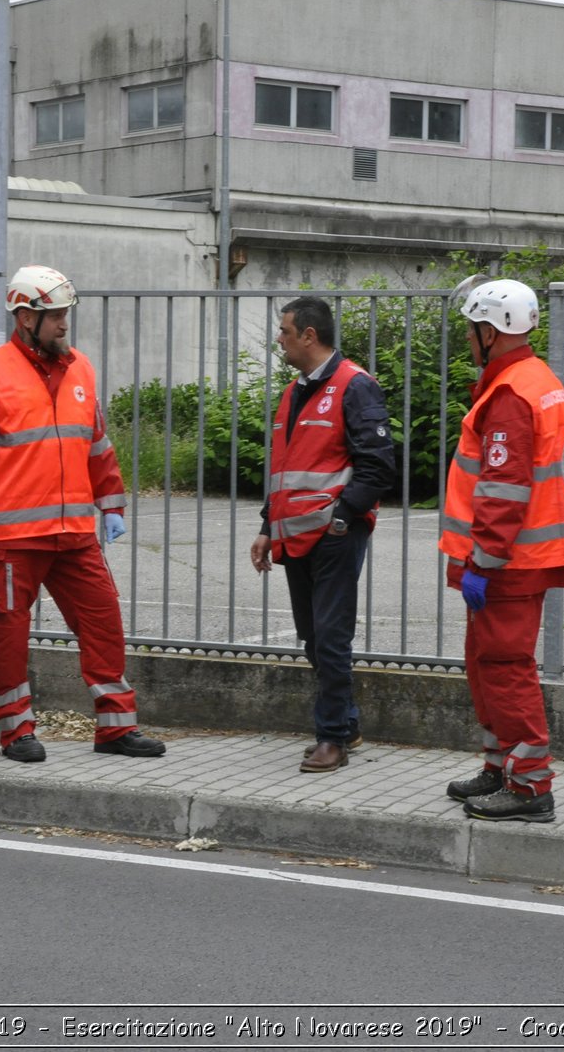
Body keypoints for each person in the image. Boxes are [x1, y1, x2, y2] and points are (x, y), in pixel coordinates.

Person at [0, 265, 166, 763]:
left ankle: (115, 729)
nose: (65, 324)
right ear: (25, 318)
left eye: (65, 314)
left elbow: (97, 445)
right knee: (7, 634)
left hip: (73, 534)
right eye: (55, 316)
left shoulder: (80, 367)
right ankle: (12, 729)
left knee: (104, 621)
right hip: (10, 539)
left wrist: (111, 503)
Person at [438, 278, 564, 823]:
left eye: (470, 330)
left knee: (504, 666)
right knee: (487, 664)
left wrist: (482, 559)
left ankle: (529, 787)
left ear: (489, 330)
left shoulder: (510, 393)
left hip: (508, 561)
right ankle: (501, 766)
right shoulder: (532, 378)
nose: (466, 339)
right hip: (515, 557)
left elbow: (503, 489)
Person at [249, 296, 395, 773]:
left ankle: (331, 738)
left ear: (309, 335)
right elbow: (285, 469)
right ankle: (346, 722)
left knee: (330, 638)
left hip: (334, 535)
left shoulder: (355, 386)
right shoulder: (295, 392)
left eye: (285, 331)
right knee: (314, 638)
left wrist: (341, 518)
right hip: (295, 536)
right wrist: (267, 527)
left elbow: (377, 467)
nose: (280, 338)